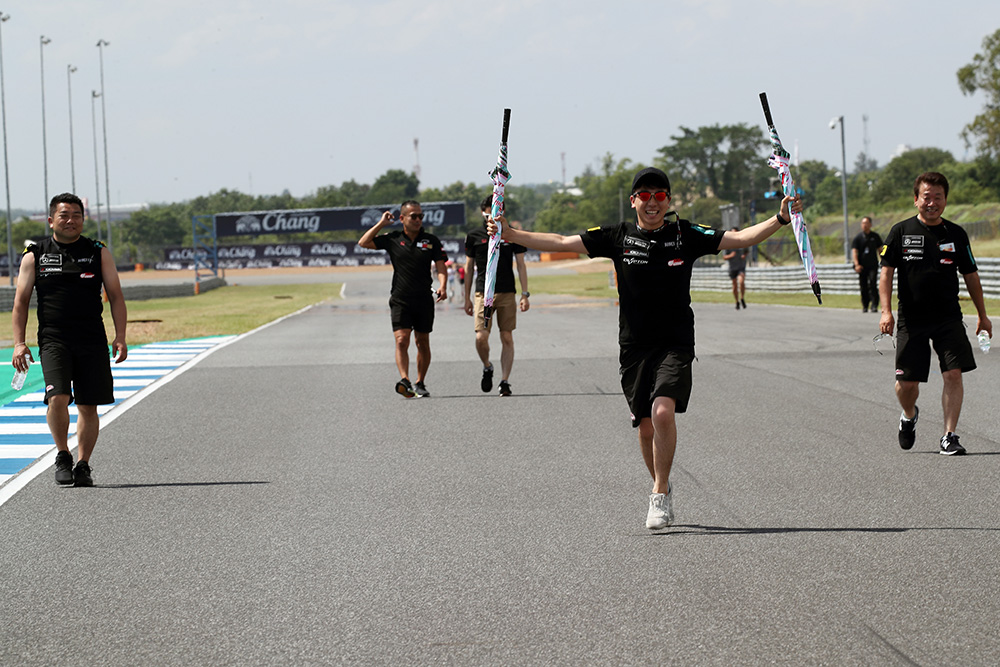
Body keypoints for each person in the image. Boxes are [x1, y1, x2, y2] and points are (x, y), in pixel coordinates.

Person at [487, 167, 801, 529]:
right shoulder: (616, 236)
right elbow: (560, 241)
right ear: (633, 200)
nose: (653, 202)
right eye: (645, 195)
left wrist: (780, 218)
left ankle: (659, 492)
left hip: (675, 343)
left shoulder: (685, 234)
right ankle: (662, 484)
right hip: (634, 347)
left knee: (663, 412)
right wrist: (511, 233)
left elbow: (741, 238)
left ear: (668, 201)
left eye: (660, 195)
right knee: (646, 427)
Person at [10, 193, 128, 487]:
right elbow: (21, 302)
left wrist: (121, 336)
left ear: (83, 220)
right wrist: (19, 343)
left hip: (92, 340)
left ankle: (83, 464)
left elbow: (116, 296)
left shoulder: (98, 252)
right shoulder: (35, 254)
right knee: (58, 397)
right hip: (53, 340)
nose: (71, 220)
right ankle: (63, 454)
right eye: (64, 215)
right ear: (51, 220)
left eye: (76, 215)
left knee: (88, 405)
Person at [878, 172, 992, 455]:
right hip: (912, 319)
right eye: (926, 197)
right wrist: (886, 312)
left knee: (953, 374)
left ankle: (949, 436)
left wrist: (983, 315)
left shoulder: (956, 234)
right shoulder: (900, 232)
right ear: (916, 199)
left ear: (945, 200)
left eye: (938, 197)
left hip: (948, 318)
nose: (932, 203)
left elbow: (971, 275)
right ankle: (909, 415)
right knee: (906, 384)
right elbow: (886, 274)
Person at [359, 199, 448, 398]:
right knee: (401, 340)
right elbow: (363, 242)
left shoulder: (431, 240)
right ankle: (405, 380)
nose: (418, 220)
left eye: (420, 216)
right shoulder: (393, 239)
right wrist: (381, 224)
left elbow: (441, 266)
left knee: (422, 342)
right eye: (413, 216)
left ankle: (420, 382)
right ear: (402, 218)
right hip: (400, 298)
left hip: (423, 299)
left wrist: (443, 285)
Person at [464, 196, 530, 396]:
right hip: (483, 292)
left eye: (497, 209)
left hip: (507, 291)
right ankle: (487, 366)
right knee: (481, 336)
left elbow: (521, 265)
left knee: (506, 336)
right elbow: (468, 268)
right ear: (483, 212)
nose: (493, 213)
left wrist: (525, 294)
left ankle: (505, 381)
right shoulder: (474, 235)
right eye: (489, 210)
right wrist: (466, 297)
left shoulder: (511, 233)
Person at [851, 216, 883, 312]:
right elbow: (854, 252)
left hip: (873, 265)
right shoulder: (858, 238)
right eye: (863, 223)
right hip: (862, 266)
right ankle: (865, 305)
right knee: (863, 286)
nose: (864, 225)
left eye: (866, 223)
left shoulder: (875, 236)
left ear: (870, 224)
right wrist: (856, 264)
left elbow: (880, 249)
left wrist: (884, 261)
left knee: (873, 284)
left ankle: (874, 305)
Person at [722, 228, 748, 310]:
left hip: (740, 267)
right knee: (734, 285)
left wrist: (744, 255)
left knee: (741, 281)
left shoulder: (742, 243)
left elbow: (746, 251)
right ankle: (737, 301)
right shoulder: (728, 245)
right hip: (732, 268)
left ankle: (742, 298)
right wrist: (731, 255)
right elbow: (724, 257)